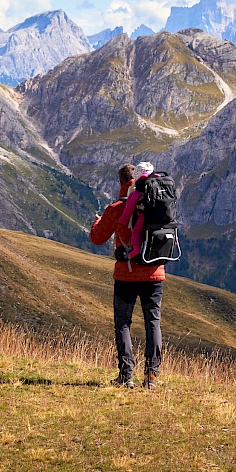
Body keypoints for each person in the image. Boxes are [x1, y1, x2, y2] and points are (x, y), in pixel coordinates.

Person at [90, 161, 165, 390]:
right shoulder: (158, 203)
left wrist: (97, 221)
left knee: (123, 323)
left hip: (127, 274)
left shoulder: (117, 207)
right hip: (155, 272)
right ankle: (152, 376)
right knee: (153, 322)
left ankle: (126, 375)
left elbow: (97, 238)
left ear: (121, 182)